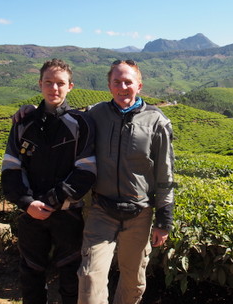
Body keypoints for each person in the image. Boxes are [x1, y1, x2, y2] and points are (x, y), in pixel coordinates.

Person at [77, 59, 175, 304]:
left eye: (128, 82)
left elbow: (165, 172)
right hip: (102, 210)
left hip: (139, 213)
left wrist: (164, 220)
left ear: (139, 85)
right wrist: (30, 111)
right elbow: (61, 115)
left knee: (133, 282)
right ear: (109, 86)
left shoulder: (156, 121)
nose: (123, 87)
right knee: (90, 277)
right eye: (117, 82)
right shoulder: (95, 114)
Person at [1, 58, 96, 304]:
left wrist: (52, 201)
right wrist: (27, 203)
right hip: (30, 214)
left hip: (67, 214)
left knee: (70, 277)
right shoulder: (23, 123)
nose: (54, 88)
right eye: (48, 83)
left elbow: (86, 171)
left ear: (70, 87)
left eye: (60, 83)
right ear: (40, 84)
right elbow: (11, 167)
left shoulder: (81, 123)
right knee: (31, 274)